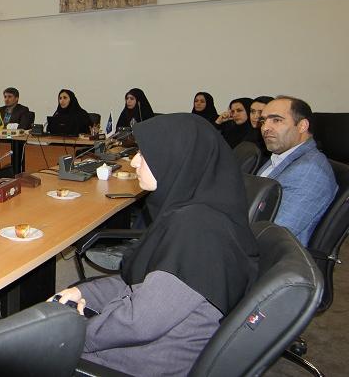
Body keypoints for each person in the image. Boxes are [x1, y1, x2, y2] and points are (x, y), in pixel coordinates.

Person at [52, 113, 258, 376]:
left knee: (22, 351)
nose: (134, 161)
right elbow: (140, 283)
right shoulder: (192, 214)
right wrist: (83, 292)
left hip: (142, 363)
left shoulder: (199, 233)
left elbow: (138, 323)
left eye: (144, 154)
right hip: (144, 346)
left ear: (176, 160)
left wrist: (70, 335)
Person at [258, 96, 337, 245]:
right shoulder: (280, 156)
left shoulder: (309, 171)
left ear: (302, 126)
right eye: (263, 121)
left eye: (276, 120)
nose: (265, 128)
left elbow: (273, 235)